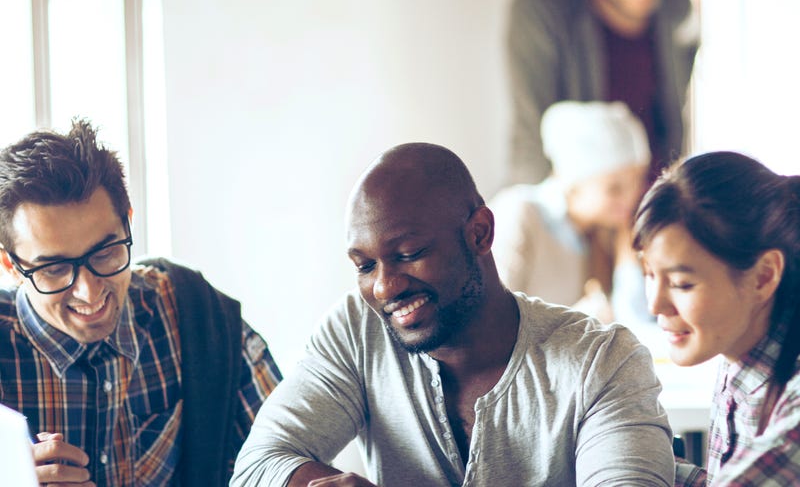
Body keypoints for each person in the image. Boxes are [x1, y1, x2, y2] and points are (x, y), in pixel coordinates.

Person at [231, 142, 674, 486]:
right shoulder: (357, 330)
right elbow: (257, 464)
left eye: (409, 253)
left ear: (480, 233)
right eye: (365, 266)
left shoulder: (603, 362)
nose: (385, 286)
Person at [0, 119, 283, 487]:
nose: (88, 291)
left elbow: (282, 453)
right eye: (54, 268)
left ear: (128, 223)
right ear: (10, 265)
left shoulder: (197, 316)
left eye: (105, 252)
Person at [506, 0, 698, 185]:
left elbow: (674, 115)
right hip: (575, 195)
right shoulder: (542, 10)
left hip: (651, 191)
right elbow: (534, 128)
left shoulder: (674, 7)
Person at [633, 151, 800, 485]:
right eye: (649, 274)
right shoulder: (740, 352)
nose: (655, 305)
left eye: (682, 283)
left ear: (763, 277)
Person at [491, 100, 651, 326]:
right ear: (572, 184)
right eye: (614, 188)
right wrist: (574, 321)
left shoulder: (606, 233)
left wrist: (626, 252)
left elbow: (634, 320)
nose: (631, 197)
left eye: (638, 182)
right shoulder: (519, 213)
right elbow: (491, 323)